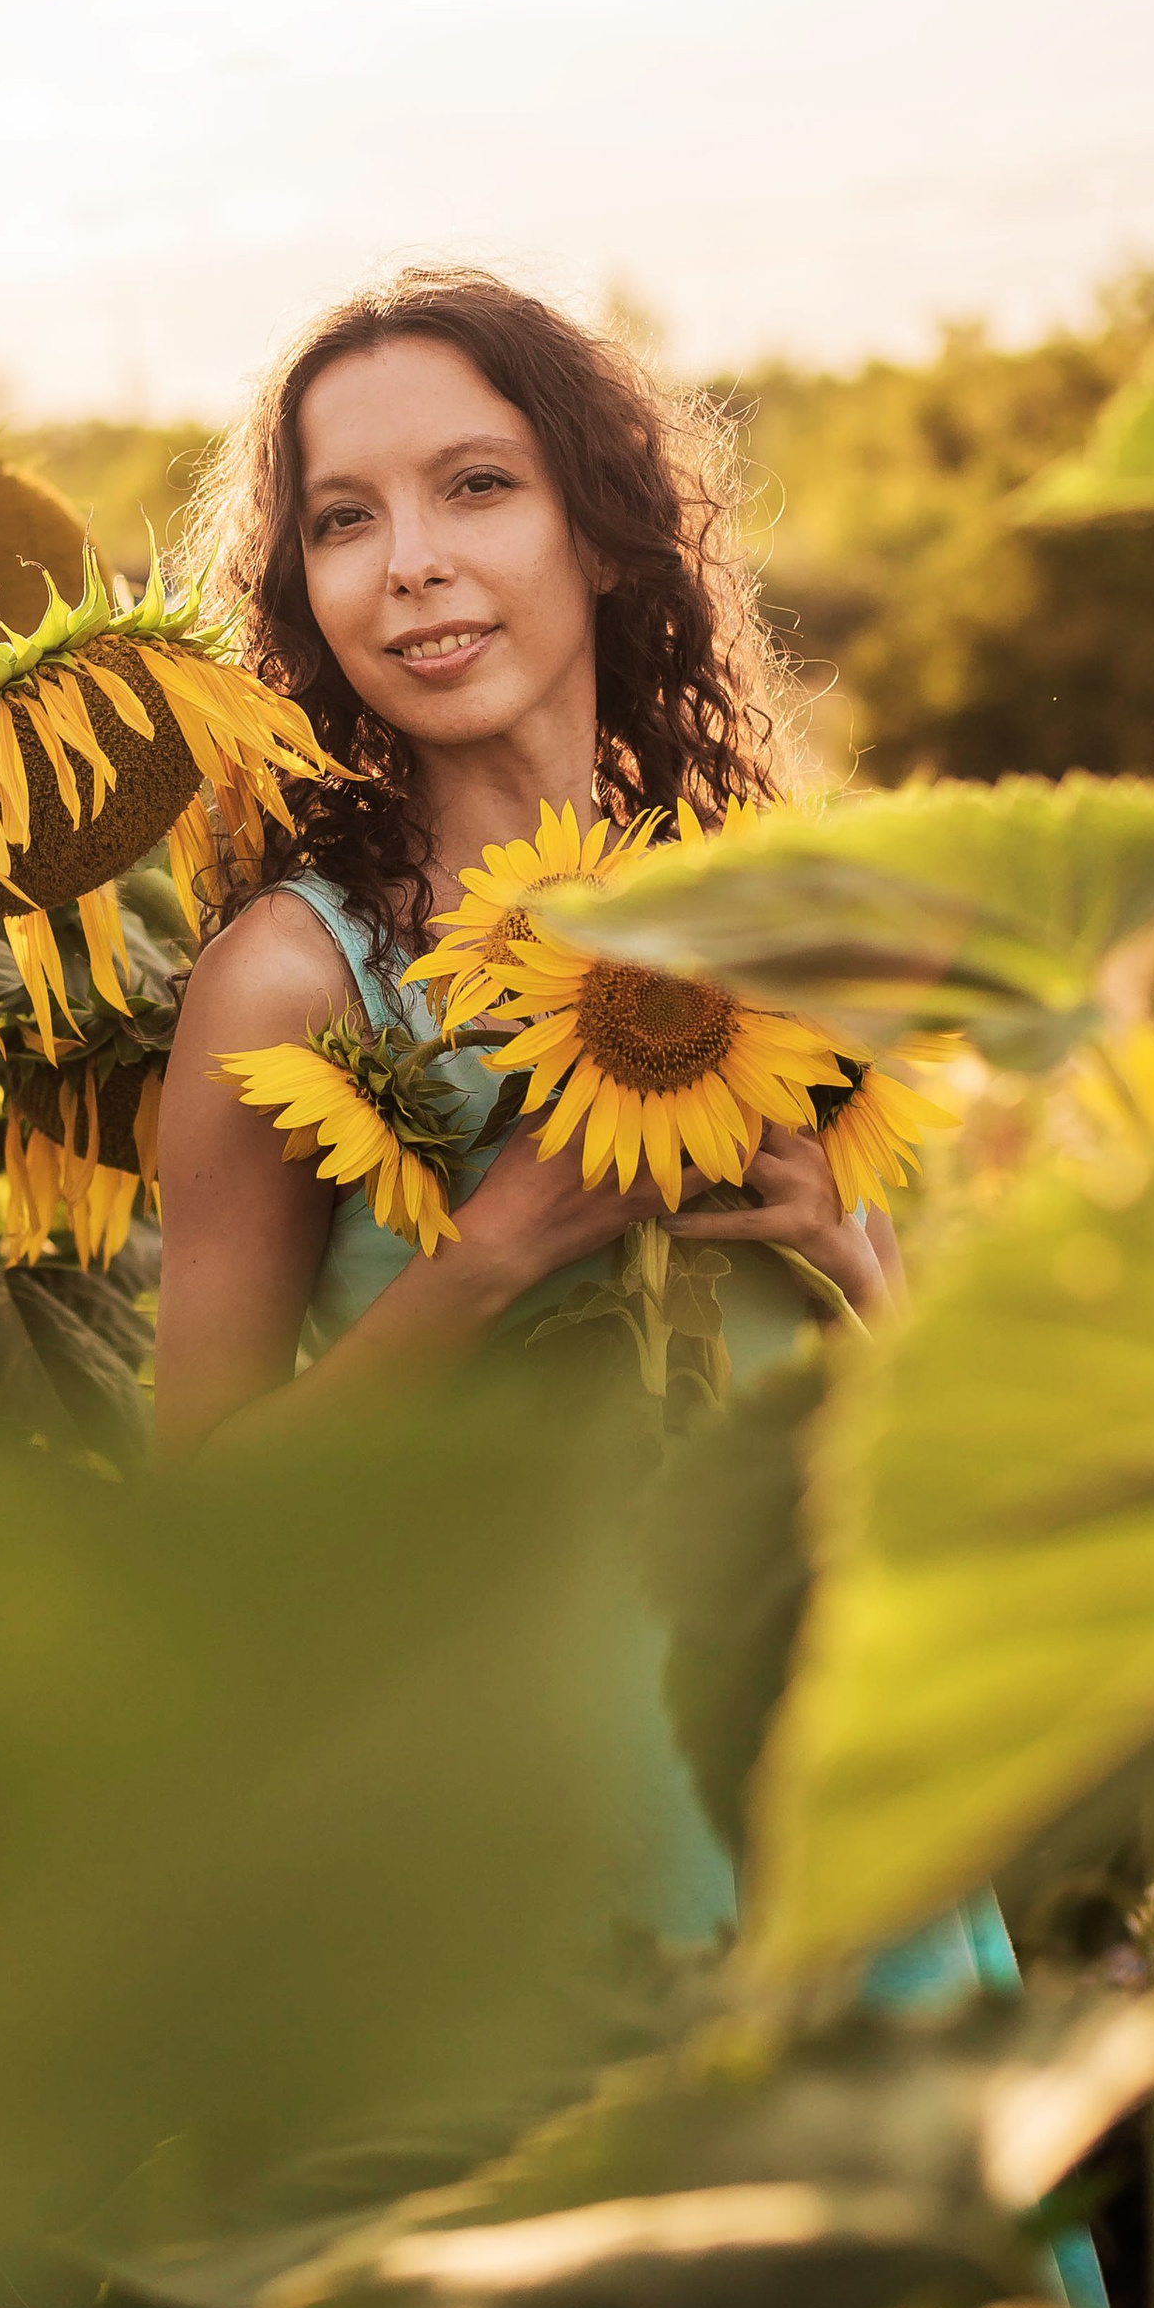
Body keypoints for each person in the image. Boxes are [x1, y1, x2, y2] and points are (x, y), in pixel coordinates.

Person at [154, 267, 890, 1938]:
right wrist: (494, 1254)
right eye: (344, 520)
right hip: (508, 1813)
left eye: (476, 487)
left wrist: (849, 1255)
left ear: (606, 533)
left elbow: (903, 1377)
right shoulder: (296, 981)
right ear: (304, 595)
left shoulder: (763, 921)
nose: (410, 558)